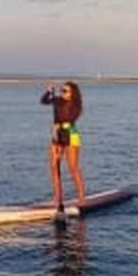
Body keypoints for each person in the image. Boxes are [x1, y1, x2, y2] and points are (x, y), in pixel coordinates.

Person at [40, 80, 86, 211]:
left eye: (65, 91)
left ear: (73, 94)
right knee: (54, 166)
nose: (62, 93)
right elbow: (43, 101)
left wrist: (58, 126)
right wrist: (49, 92)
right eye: (62, 90)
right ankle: (57, 198)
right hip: (57, 135)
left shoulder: (76, 106)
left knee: (73, 167)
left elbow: (69, 119)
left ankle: (81, 197)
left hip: (71, 135)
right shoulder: (58, 100)